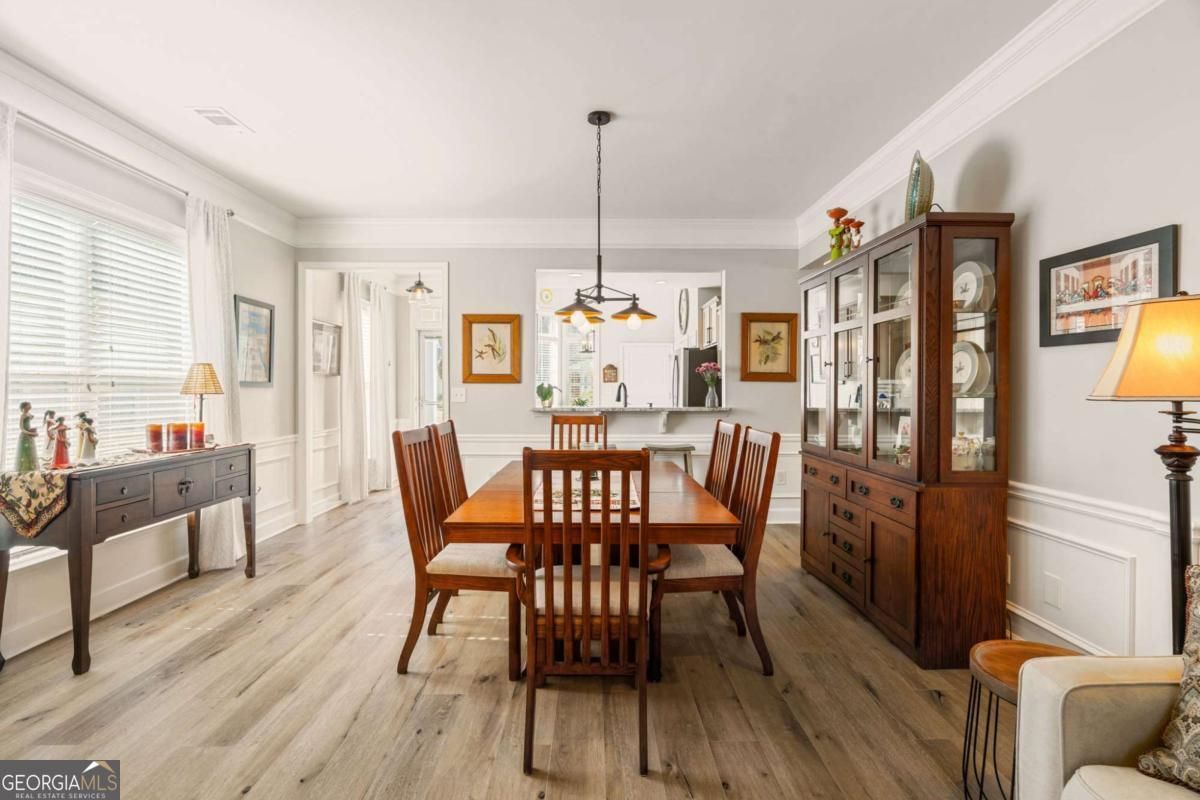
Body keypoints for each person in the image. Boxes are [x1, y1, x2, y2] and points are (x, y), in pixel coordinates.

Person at [14, 402, 39, 472]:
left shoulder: (28, 414)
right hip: (25, 435)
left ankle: (31, 467)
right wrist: (30, 433)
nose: (29, 407)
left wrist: (32, 430)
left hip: (29, 435)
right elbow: (22, 428)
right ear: (24, 407)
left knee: (30, 451)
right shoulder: (22, 416)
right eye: (28, 406)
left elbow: (31, 416)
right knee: (25, 452)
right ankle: (24, 468)